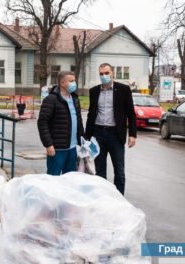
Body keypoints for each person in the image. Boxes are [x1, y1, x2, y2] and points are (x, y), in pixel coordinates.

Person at [85, 63, 136, 195]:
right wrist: (87, 137)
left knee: (119, 171)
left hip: (115, 135)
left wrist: (132, 134)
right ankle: (102, 199)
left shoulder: (123, 89)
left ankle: (119, 200)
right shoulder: (94, 91)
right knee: (100, 171)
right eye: (101, 74)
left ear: (112, 73)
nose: (104, 76)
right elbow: (91, 114)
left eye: (106, 73)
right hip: (98, 134)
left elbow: (131, 112)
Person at [38, 71, 84, 175]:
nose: (74, 83)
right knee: (53, 180)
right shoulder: (51, 99)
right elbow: (42, 122)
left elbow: (79, 121)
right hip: (57, 149)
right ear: (62, 83)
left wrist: (82, 142)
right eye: (71, 81)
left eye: (74, 80)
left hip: (72, 149)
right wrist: (48, 144)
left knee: (70, 180)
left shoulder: (75, 99)